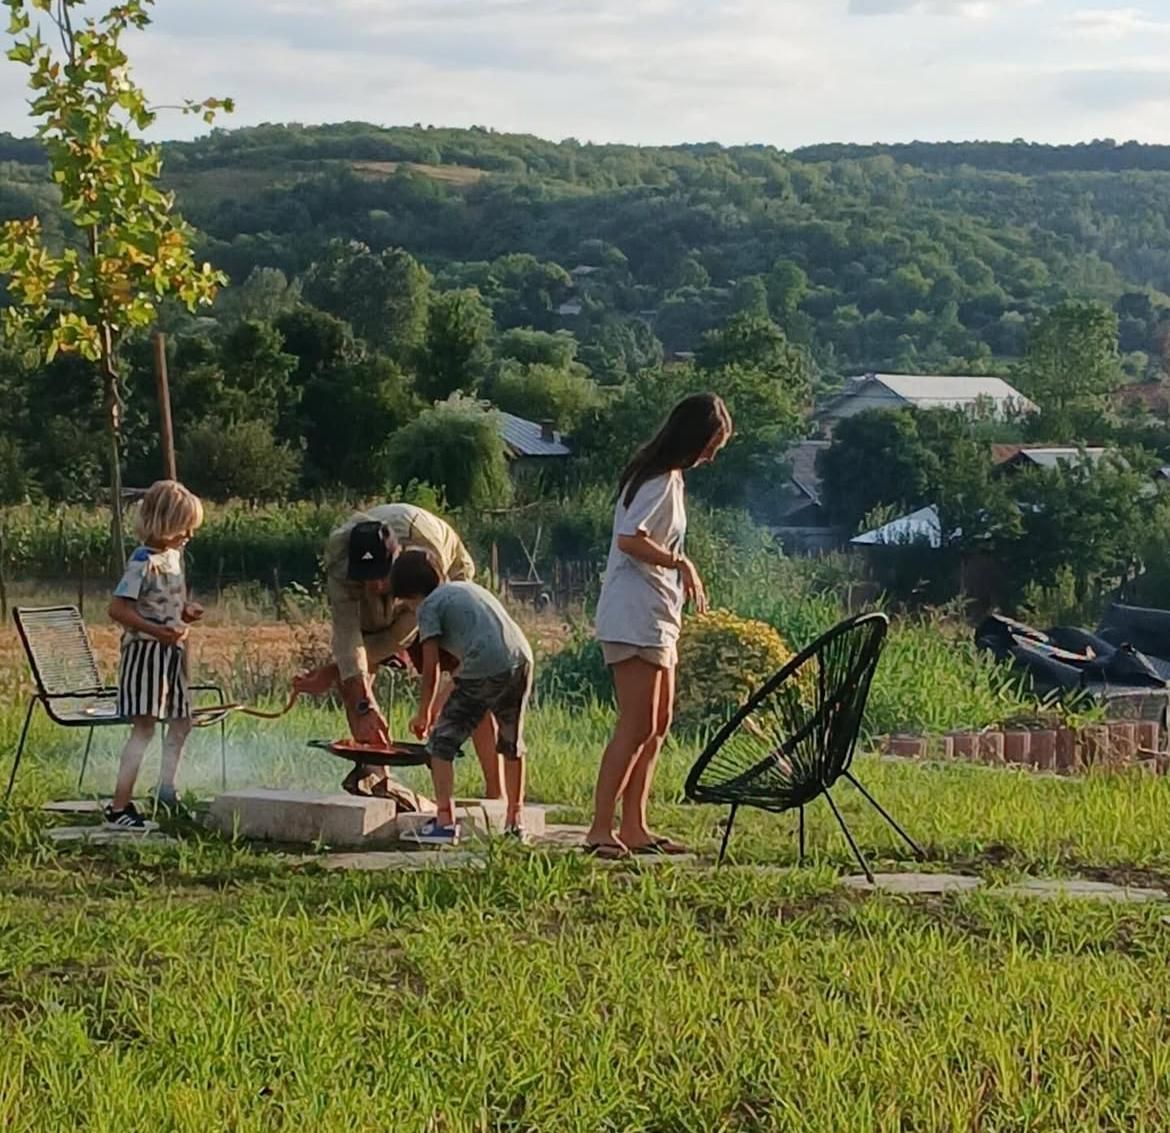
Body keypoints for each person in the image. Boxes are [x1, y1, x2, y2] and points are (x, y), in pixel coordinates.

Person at [584, 393, 733, 859]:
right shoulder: (659, 480)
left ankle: (635, 826)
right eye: (712, 445)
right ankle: (599, 829)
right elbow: (631, 539)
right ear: (694, 439)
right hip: (633, 615)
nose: (711, 456)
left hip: (657, 615)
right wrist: (680, 563)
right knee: (636, 724)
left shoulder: (670, 479)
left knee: (658, 724)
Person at [293, 503, 503, 800]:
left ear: (397, 560)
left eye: (382, 576)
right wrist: (362, 696)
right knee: (353, 682)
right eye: (368, 577)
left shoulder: (424, 560)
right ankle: (378, 780)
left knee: (472, 682)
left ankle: (496, 794)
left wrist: (335, 668)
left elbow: (403, 633)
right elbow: (348, 635)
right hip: (396, 591)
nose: (377, 585)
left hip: (444, 579)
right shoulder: (343, 565)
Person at [391, 550, 534, 847]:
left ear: (406, 593)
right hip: (521, 660)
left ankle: (444, 822)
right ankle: (515, 822)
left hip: (485, 664)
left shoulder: (428, 608)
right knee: (511, 742)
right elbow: (462, 668)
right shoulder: (466, 588)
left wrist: (423, 714)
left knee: (440, 745)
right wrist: (438, 706)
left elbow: (432, 670)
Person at [106, 480, 206, 831]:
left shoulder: (174, 558)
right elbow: (118, 609)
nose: (190, 534)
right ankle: (120, 807)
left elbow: (166, 604)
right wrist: (155, 630)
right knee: (145, 727)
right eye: (185, 527)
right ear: (164, 523)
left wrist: (185, 614)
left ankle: (166, 789)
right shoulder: (141, 563)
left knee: (182, 721)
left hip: (171, 654)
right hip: (146, 654)